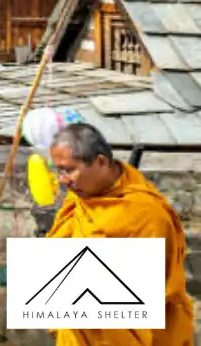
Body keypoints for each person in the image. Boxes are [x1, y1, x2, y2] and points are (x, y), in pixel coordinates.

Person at [46, 124, 194, 346]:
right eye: (60, 171)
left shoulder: (146, 213)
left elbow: (146, 290)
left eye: (69, 170)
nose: (62, 180)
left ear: (101, 162)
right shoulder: (80, 199)